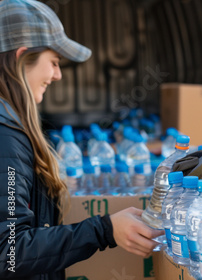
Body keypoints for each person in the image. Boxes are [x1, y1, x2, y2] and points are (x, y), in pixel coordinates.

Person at [0, 0, 162, 278]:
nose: (57, 75)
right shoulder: (6, 137)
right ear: (21, 58)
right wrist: (104, 230)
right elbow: (9, 254)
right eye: (53, 63)